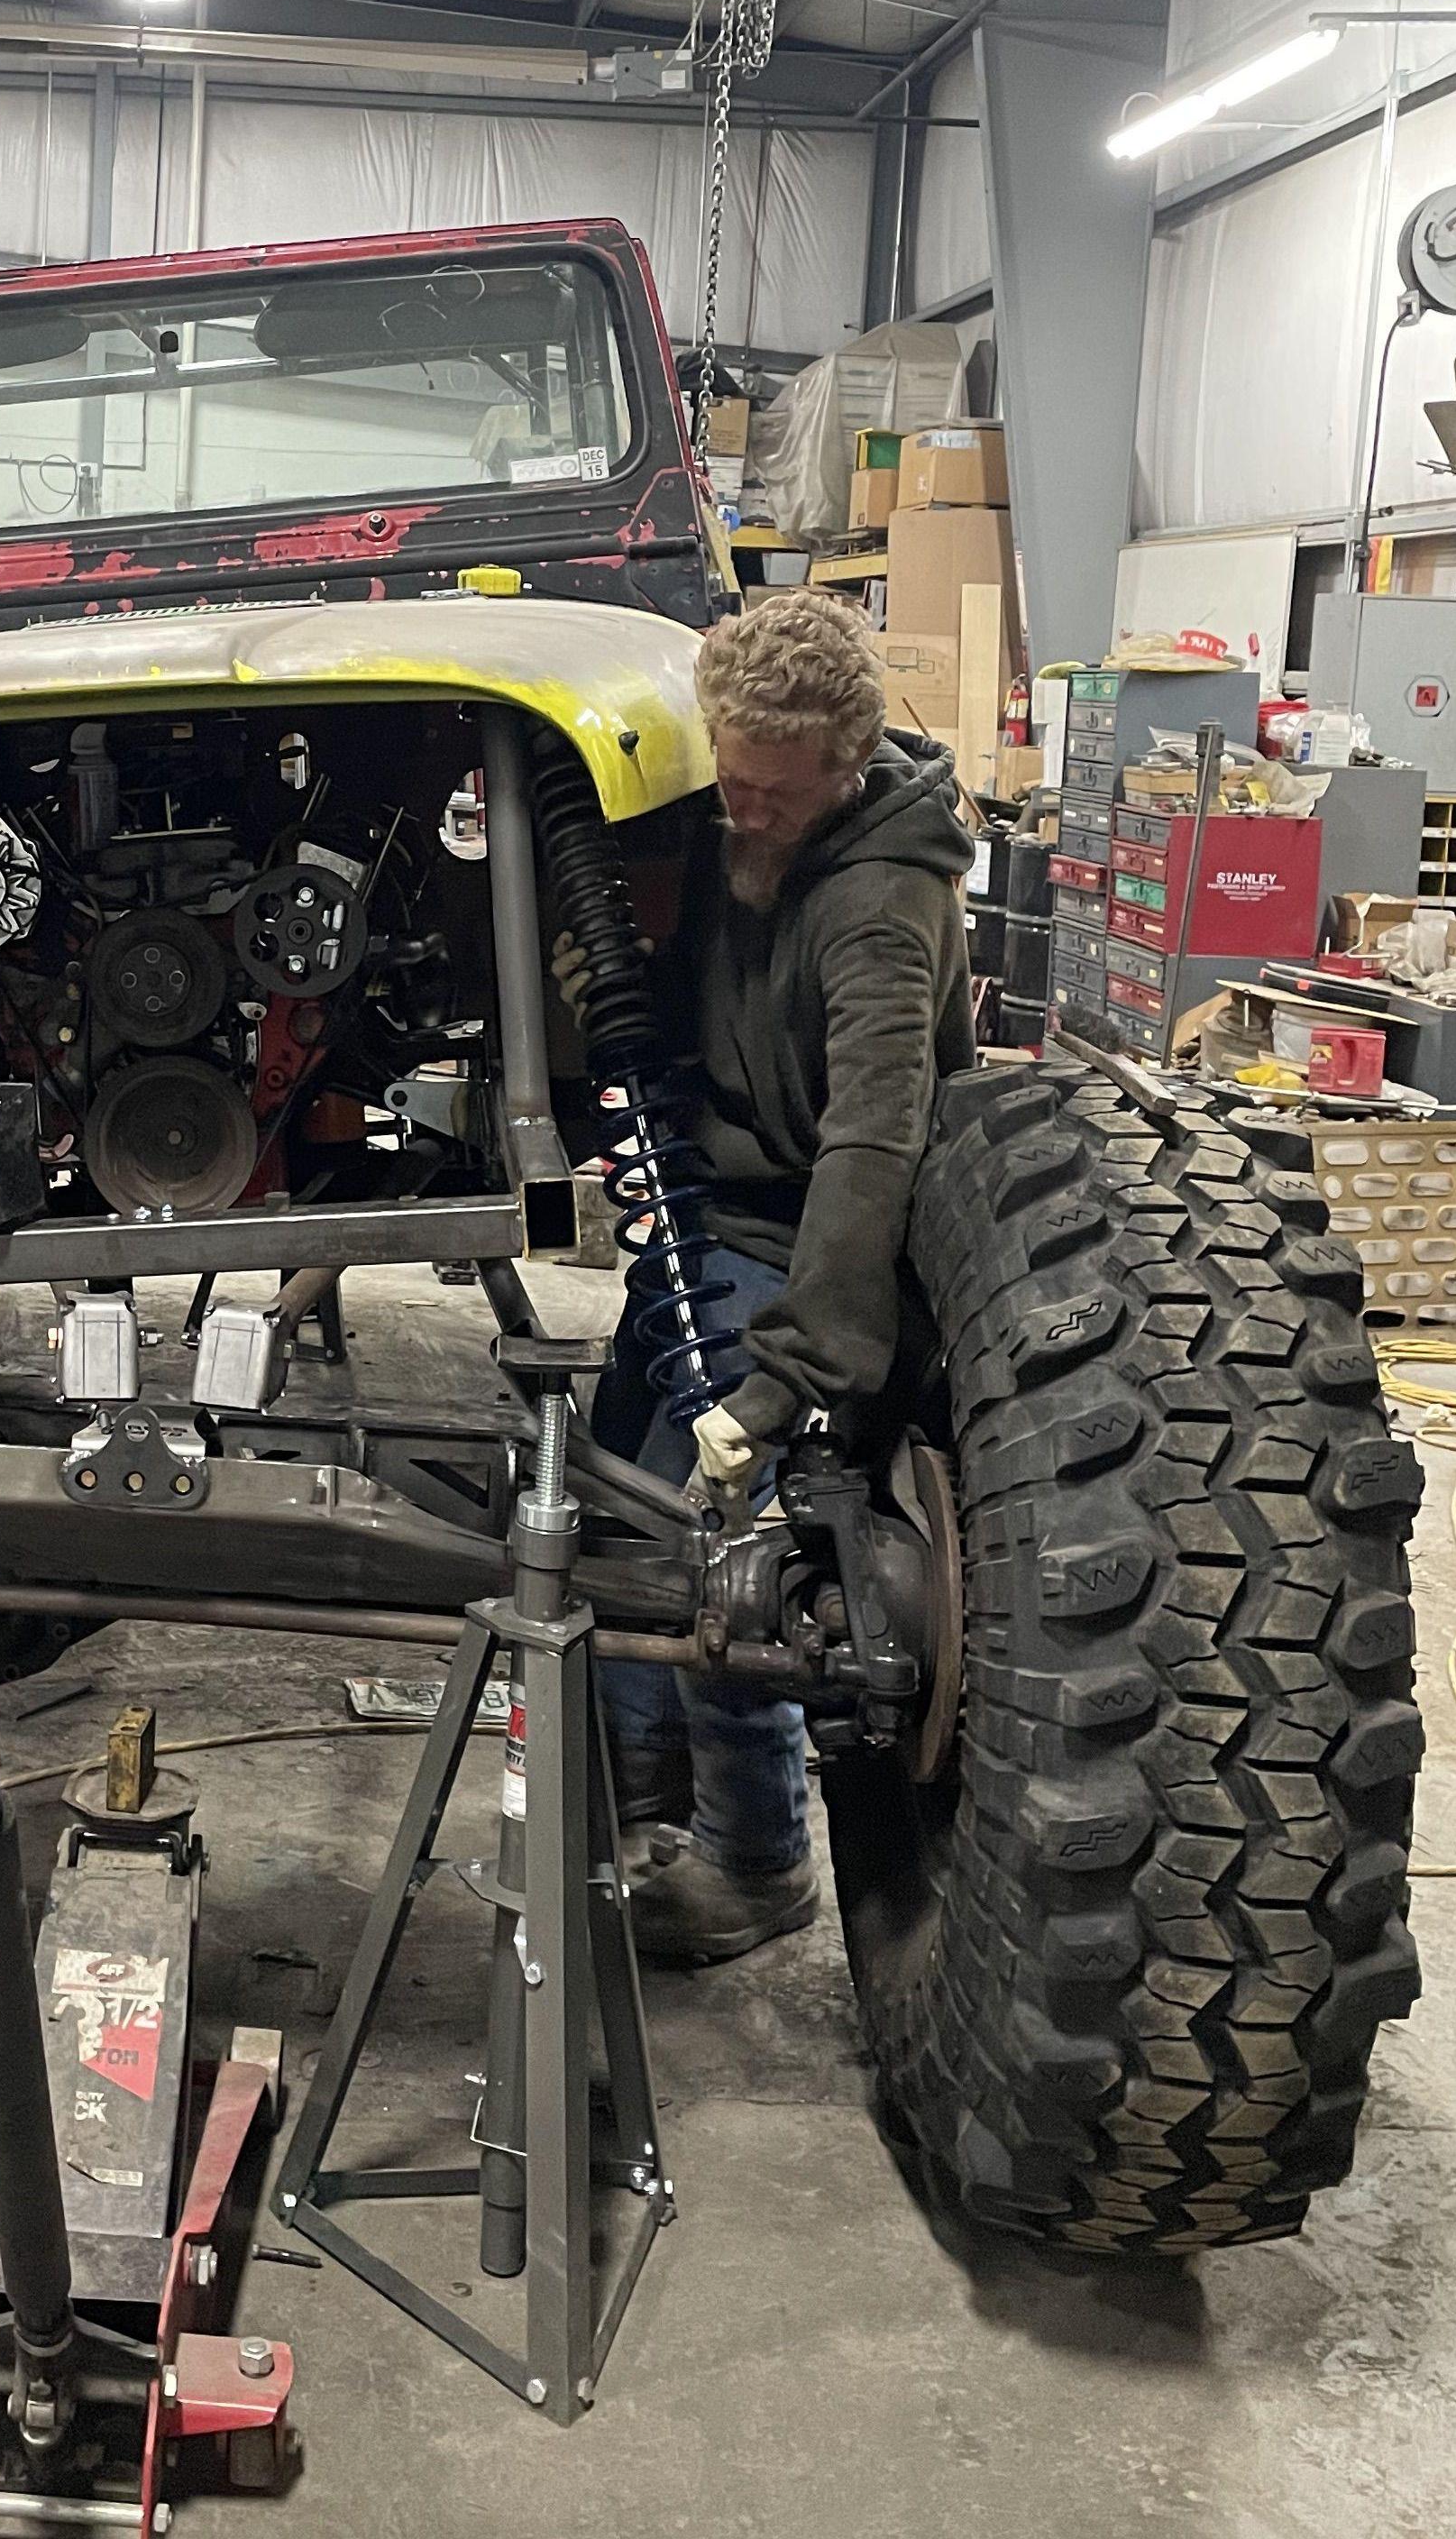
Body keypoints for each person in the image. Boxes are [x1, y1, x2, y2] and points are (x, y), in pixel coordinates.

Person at [584, 585, 975, 1966]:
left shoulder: (879, 903)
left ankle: (756, 1866)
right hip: (715, 1221)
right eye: (729, 780)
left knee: (720, 1546)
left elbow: (876, 1142)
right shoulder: (740, 838)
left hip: (807, 1242)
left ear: (846, 769)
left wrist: (791, 1376)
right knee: (603, 1490)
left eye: (773, 796)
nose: (741, 814)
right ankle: (639, 1807)